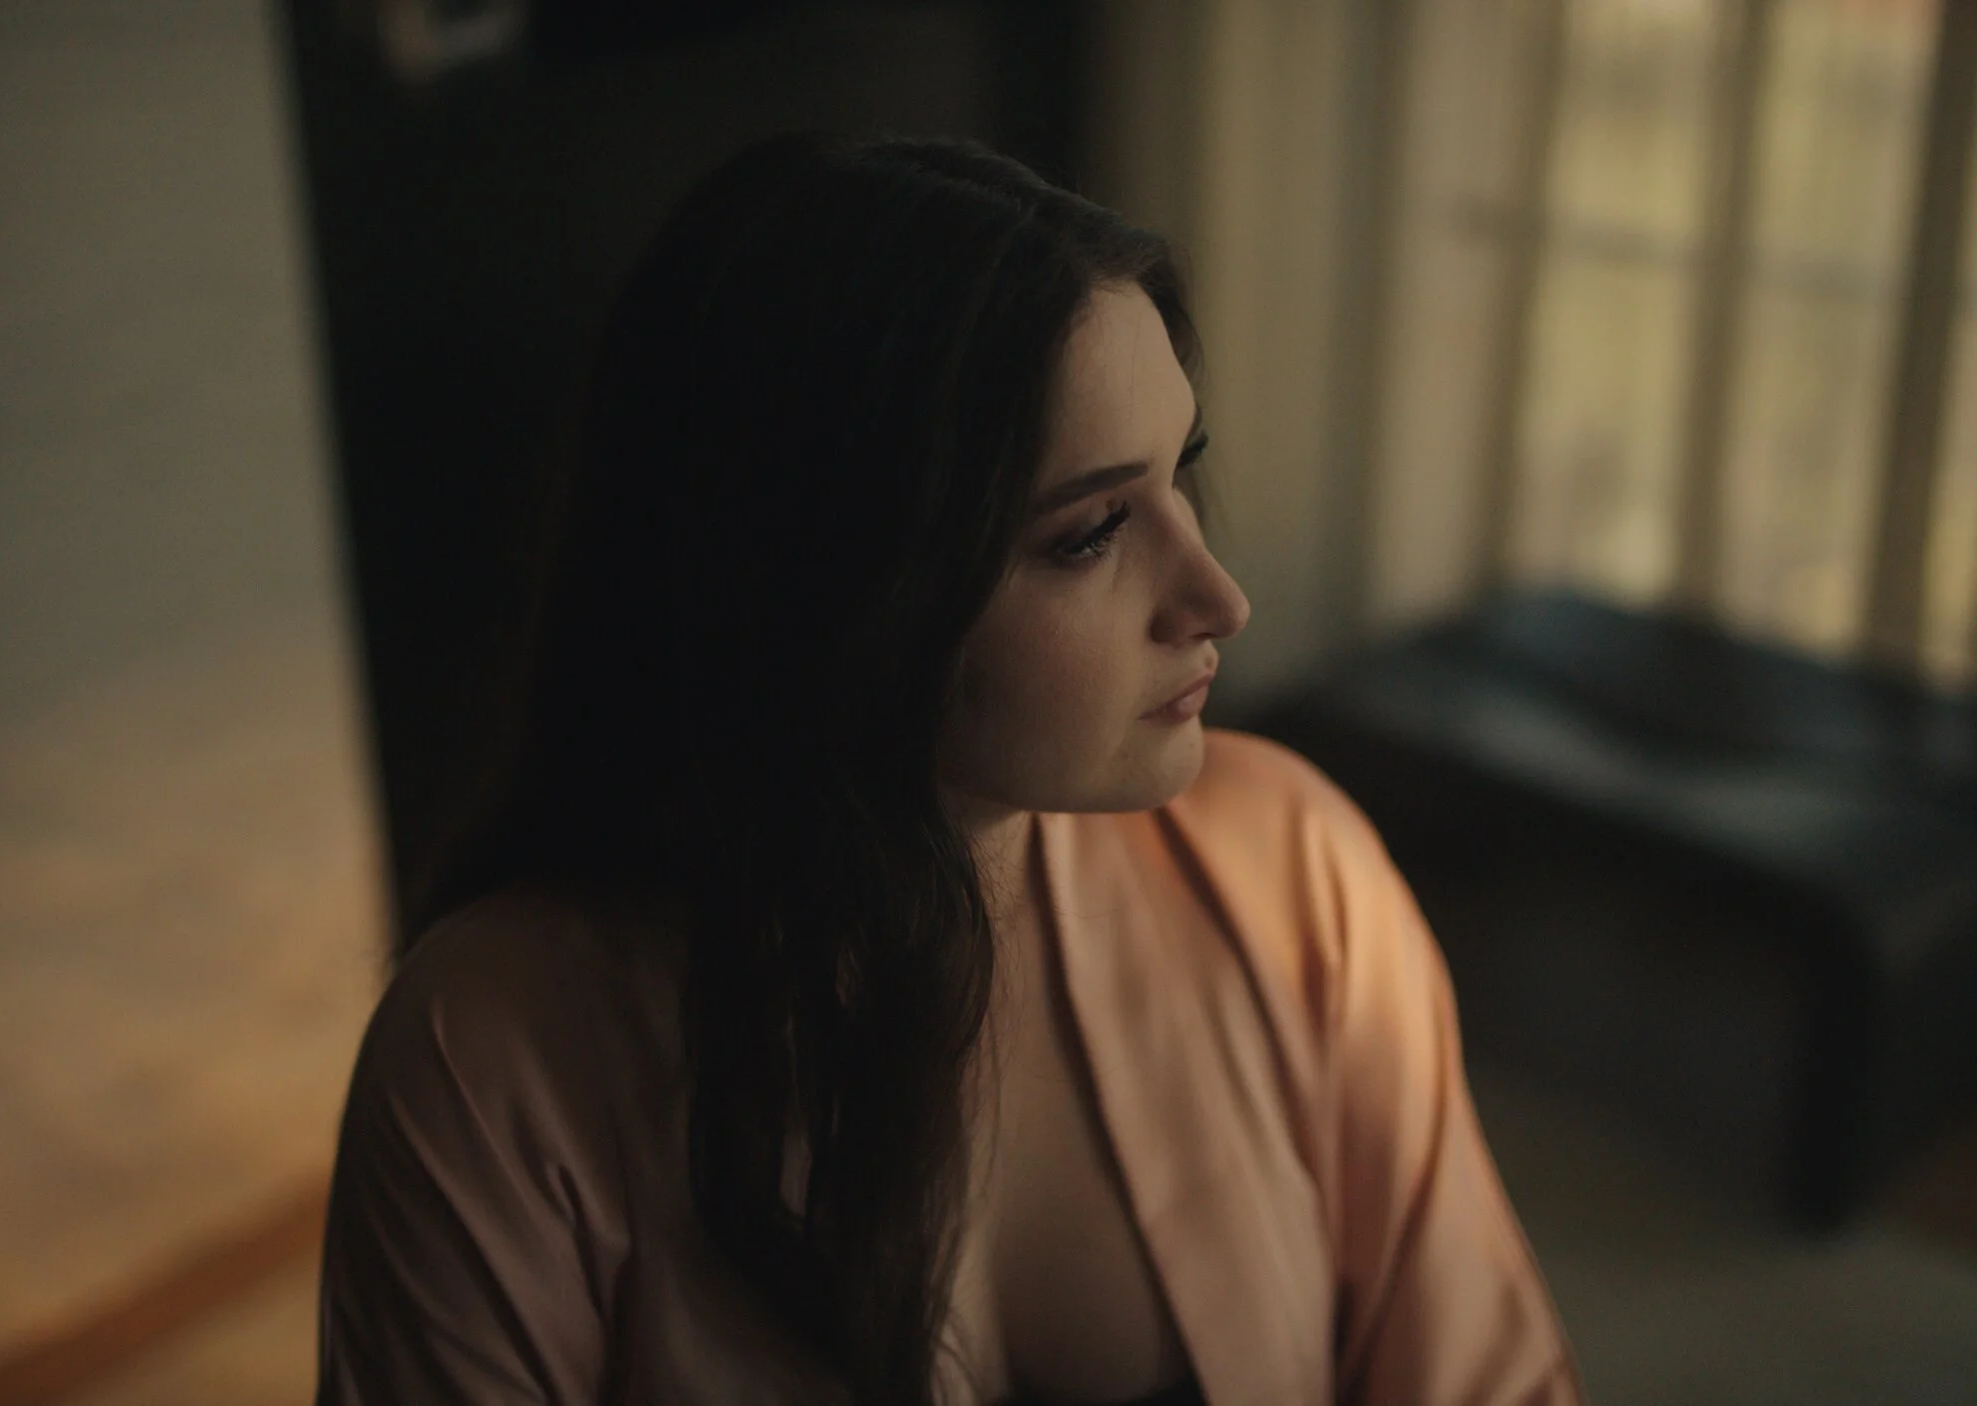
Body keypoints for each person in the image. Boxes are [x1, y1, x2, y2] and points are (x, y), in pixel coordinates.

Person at [315, 132, 1582, 1406]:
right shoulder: (491, 1061)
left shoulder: (1292, 875)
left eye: (1181, 473)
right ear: (837, 590)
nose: (1217, 596)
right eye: (1091, 531)